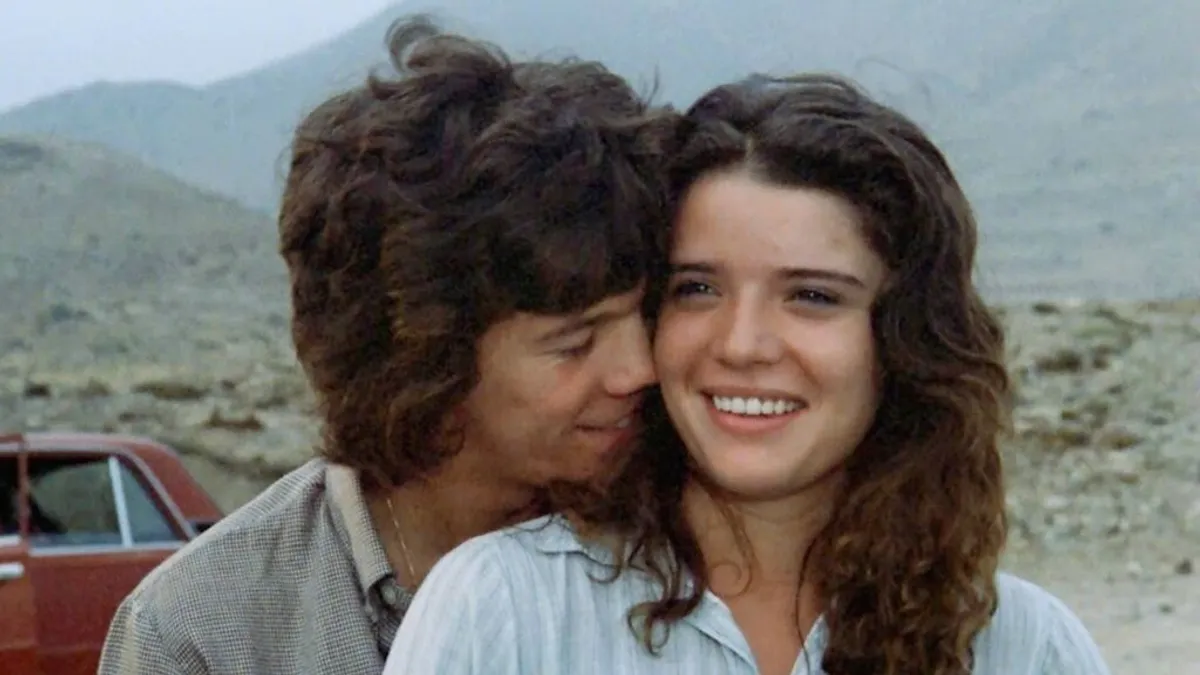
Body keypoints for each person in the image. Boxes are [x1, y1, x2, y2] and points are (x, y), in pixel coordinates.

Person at [381, 74, 1113, 674]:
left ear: (904, 340)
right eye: (698, 288)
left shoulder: (1022, 646)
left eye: (812, 296)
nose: (742, 344)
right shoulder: (505, 609)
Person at [97, 15, 675, 675]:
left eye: (645, 316)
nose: (641, 369)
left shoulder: (693, 554)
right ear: (425, 361)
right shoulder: (204, 633)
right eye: (575, 342)